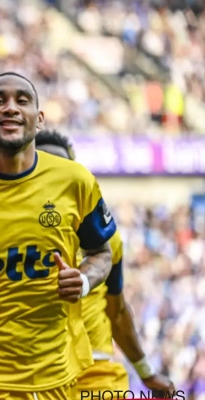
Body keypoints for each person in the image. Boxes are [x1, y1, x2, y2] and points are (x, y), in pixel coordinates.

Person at [0, 72, 116, 400]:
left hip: (55, 376)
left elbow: (101, 253)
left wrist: (84, 280)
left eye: (22, 100)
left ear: (40, 118)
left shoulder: (76, 181)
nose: (10, 107)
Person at [33, 130, 175, 399]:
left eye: (62, 171)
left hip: (95, 373)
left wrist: (146, 372)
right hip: (33, 373)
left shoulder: (105, 239)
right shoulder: (5, 233)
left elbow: (116, 310)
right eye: (45, 169)